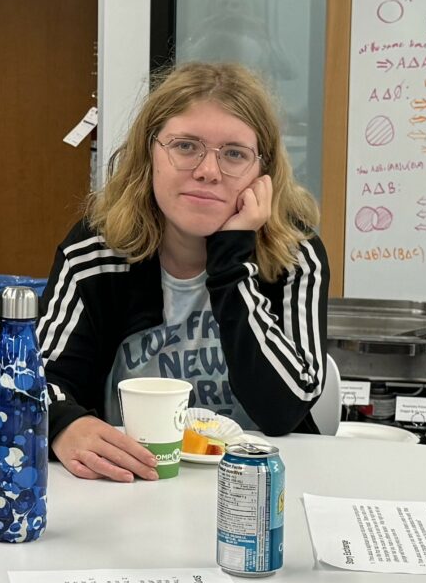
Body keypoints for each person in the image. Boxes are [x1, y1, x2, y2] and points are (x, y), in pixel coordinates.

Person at [40, 60, 330, 481]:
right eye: (186, 146)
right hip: (134, 483)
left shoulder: (295, 254)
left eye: (234, 154)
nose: (208, 171)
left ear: (263, 172)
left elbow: (283, 408)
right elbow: (30, 380)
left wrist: (232, 261)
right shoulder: (94, 251)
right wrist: (63, 423)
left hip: (261, 485)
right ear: (149, 152)